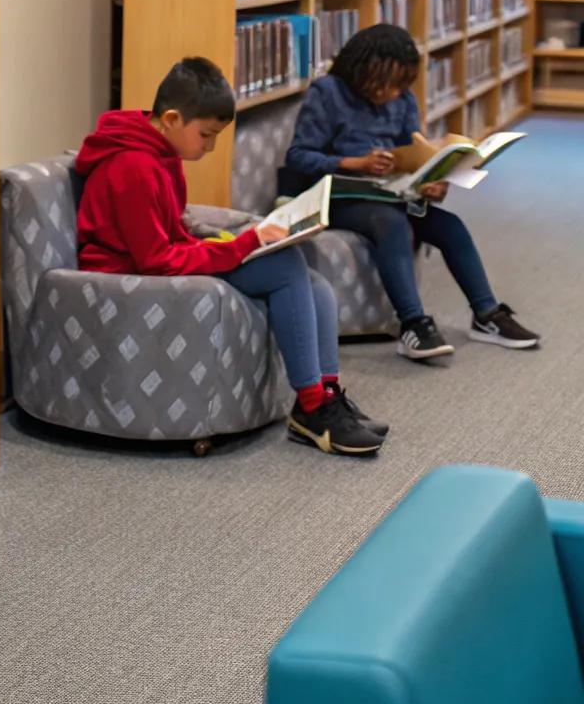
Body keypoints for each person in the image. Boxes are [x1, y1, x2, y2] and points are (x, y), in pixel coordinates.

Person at [75, 56, 387, 456]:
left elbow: (173, 231)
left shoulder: (160, 152)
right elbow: (155, 259)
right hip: (130, 279)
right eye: (205, 135)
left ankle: (324, 395)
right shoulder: (134, 166)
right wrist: (240, 246)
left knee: (314, 280)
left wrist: (232, 242)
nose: (209, 147)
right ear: (170, 119)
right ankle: (311, 407)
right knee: (287, 266)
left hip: (162, 260)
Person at [283, 24, 540, 361]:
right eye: (384, 82)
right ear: (362, 68)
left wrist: (430, 179)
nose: (391, 93)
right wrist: (355, 162)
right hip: (340, 195)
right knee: (392, 224)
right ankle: (413, 324)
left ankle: (487, 314)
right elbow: (298, 156)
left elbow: (414, 150)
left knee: (450, 227)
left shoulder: (402, 100)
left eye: (400, 85)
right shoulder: (328, 92)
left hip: (394, 192)